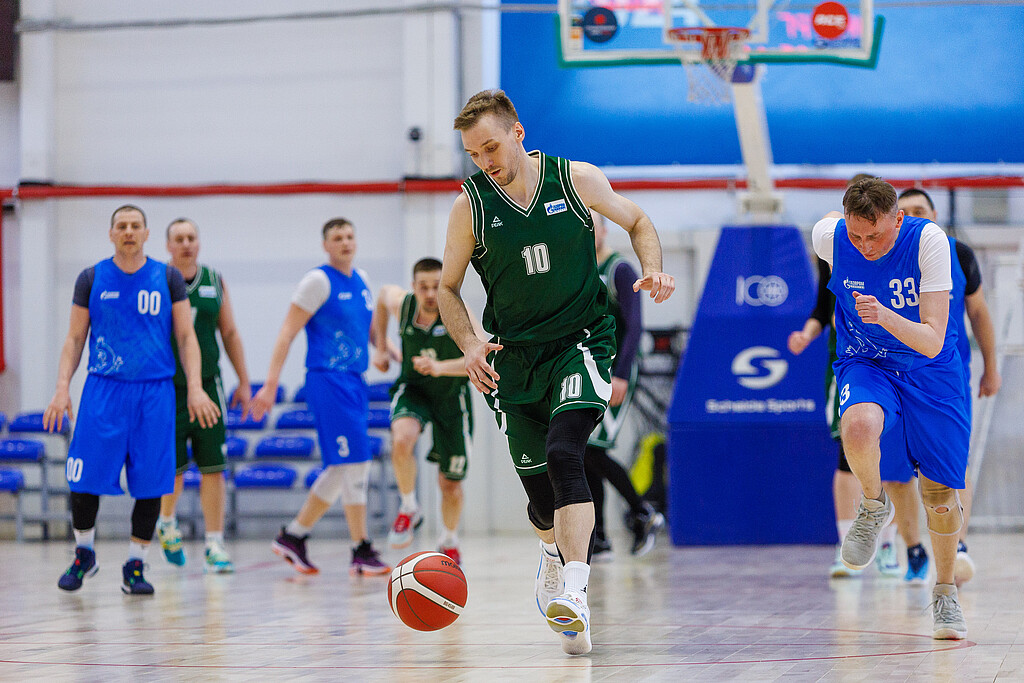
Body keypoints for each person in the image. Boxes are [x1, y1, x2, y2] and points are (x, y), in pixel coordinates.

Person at [439, 90, 674, 655]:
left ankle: (575, 590)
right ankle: (551, 553)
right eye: (474, 154)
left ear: (518, 133)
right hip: (513, 359)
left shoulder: (576, 179)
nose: (485, 161)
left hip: (581, 343)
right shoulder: (470, 206)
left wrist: (655, 268)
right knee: (541, 499)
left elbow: (637, 219)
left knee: (567, 452)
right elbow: (447, 288)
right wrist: (469, 343)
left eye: (491, 147)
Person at [813, 177, 970, 640]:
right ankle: (872, 504)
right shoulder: (830, 237)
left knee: (939, 495)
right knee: (858, 426)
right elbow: (829, 226)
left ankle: (945, 592)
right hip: (868, 361)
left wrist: (883, 314)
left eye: (875, 235)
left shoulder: (929, 242)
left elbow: (933, 340)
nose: (865, 246)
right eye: (855, 235)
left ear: (898, 220)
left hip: (929, 368)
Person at [44, 205, 221, 595]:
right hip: (104, 390)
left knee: (151, 482)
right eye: (121, 226)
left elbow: (187, 337)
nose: (128, 231)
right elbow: (75, 338)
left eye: (135, 226)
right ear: (111, 234)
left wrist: (195, 387)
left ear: (146, 234)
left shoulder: (167, 277)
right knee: (83, 477)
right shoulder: (91, 278)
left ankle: (136, 565)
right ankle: (84, 553)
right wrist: (61, 388)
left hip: (154, 393)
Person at [250, 218, 390, 577]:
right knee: (357, 462)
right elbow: (286, 333)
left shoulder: (362, 280)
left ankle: (294, 536)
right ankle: (360, 548)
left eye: (349, 236)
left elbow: (369, 330)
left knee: (343, 466)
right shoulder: (317, 281)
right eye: (337, 238)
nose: (345, 242)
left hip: (355, 380)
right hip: (328, 379)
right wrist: (270, 384)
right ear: (326, 245)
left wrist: (389, 352)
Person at [897, 188, 1001, 587]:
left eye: (920, 210)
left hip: (947, 377)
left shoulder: (959, 254)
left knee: (953, 464)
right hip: (895, 375)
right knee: (896, 470)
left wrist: (991, 368)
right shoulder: (883, 255)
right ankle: (913, 549)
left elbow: (979, 312)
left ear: (935, 214)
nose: (913, 216)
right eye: (904, 212)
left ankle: (956, 544)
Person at [789, 259, 905, 580]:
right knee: (848, 452)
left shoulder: (892, 257)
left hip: (890, 362)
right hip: (847, 364)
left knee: (888, 458)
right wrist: (806, 335)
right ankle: (845, 544)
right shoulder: (831, 256)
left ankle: (887, 545)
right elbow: (821, 309)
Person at [155, 218, 252, 574]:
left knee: (214, 467)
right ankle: (166, 521)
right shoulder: (156, 280)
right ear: (168, 245)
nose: (186, 243)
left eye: (191, 237)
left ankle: (215, 543)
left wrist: (244, 381)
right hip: (167, 387)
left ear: (199, 243)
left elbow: (230, 332)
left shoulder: (214, 279)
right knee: (173, 469)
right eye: (179, 238)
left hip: (208, 386)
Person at [372, 258, 478, 565]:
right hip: (414, 389)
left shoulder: (460, 314)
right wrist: (381, 348)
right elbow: (382, 296)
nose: (431, 294)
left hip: (452, 397)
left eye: (436, 286)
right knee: (402, 439)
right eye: (424, 287)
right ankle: (409, 507)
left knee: (450, 484)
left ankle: (449, 539)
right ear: (414, 287)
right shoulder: (403, 305)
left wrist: (439, 367)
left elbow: (481, 357)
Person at [584, 213, 664, 560]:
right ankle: (600, 537)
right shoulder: (580, 269)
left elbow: (635, 327)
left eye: (593, 226)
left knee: (591, 450)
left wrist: (620, 373)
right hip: (589, 371)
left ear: (604, 230)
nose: (587, 232)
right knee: (585, 451)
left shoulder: (620, 269)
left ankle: (642, 511)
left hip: (615, 373)